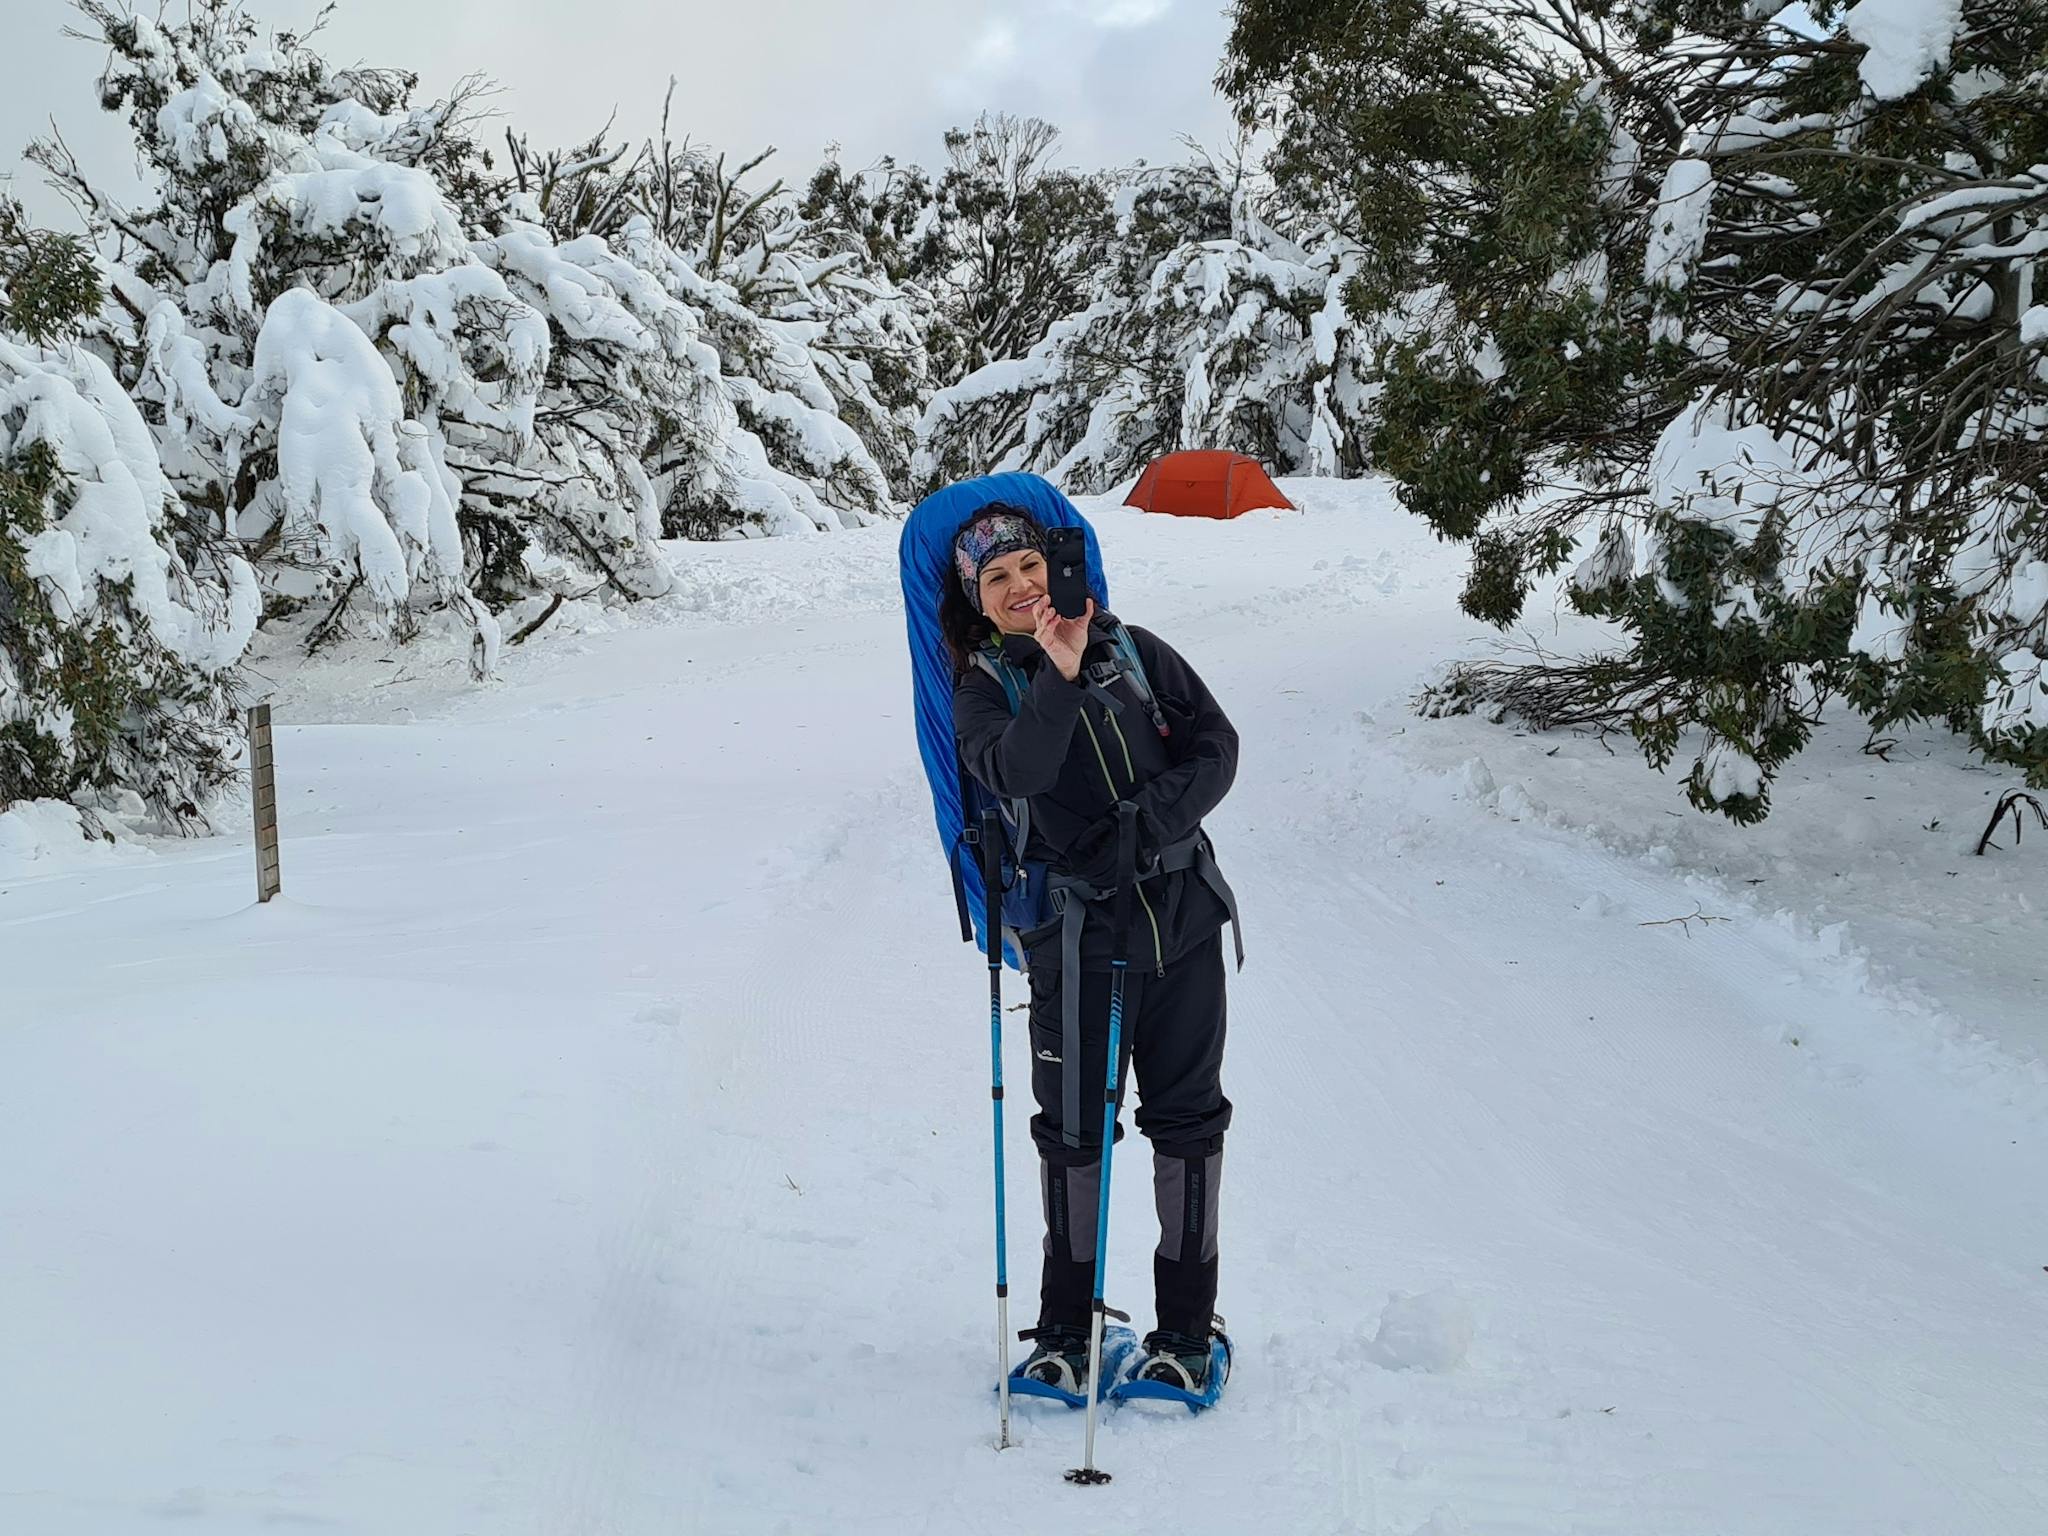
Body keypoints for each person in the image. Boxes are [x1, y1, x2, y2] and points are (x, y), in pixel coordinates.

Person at [942, 504, 1243, 1395]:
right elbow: (1016, 773)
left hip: (1182, 922)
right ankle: (1067, 1336)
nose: (1021, 588)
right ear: (977, 603)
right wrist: (1062, 678)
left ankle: (1185, 1334)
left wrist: (1148, 825)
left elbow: (1217, 747)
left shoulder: (1138, 649)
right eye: (996, 580)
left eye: (1028, 567)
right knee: (1073, 1134)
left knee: (1189, 1121)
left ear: (1058, 567)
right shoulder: (984, 689)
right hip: (1072, 940)